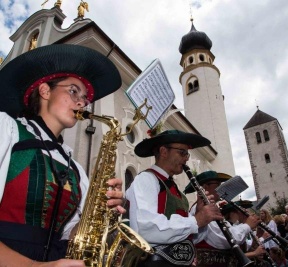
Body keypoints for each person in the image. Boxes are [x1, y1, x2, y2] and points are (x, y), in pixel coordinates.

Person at [0, 44, 124, 266]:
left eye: (85, 98)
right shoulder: (6, 128)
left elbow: (71, 235)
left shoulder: (75, 168)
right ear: (45, 91)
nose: (81, 102)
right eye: (73, 90)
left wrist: (101, 214)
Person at [125, 130, 224, 267]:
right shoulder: (146, 179)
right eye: (182, 152)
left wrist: (201, 218)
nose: (186, 158)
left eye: (187, 154)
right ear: (164, 151)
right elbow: (146, 228)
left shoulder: (178, 193)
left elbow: (191, 239)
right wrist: (196, 220)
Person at [184, 170, 261, 267]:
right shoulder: (202, 209)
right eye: (217, 184)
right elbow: (223, 239)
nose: (221, 188)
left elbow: (229, 232)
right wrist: (247, 226)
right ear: (205, 187)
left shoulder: (212, 208)